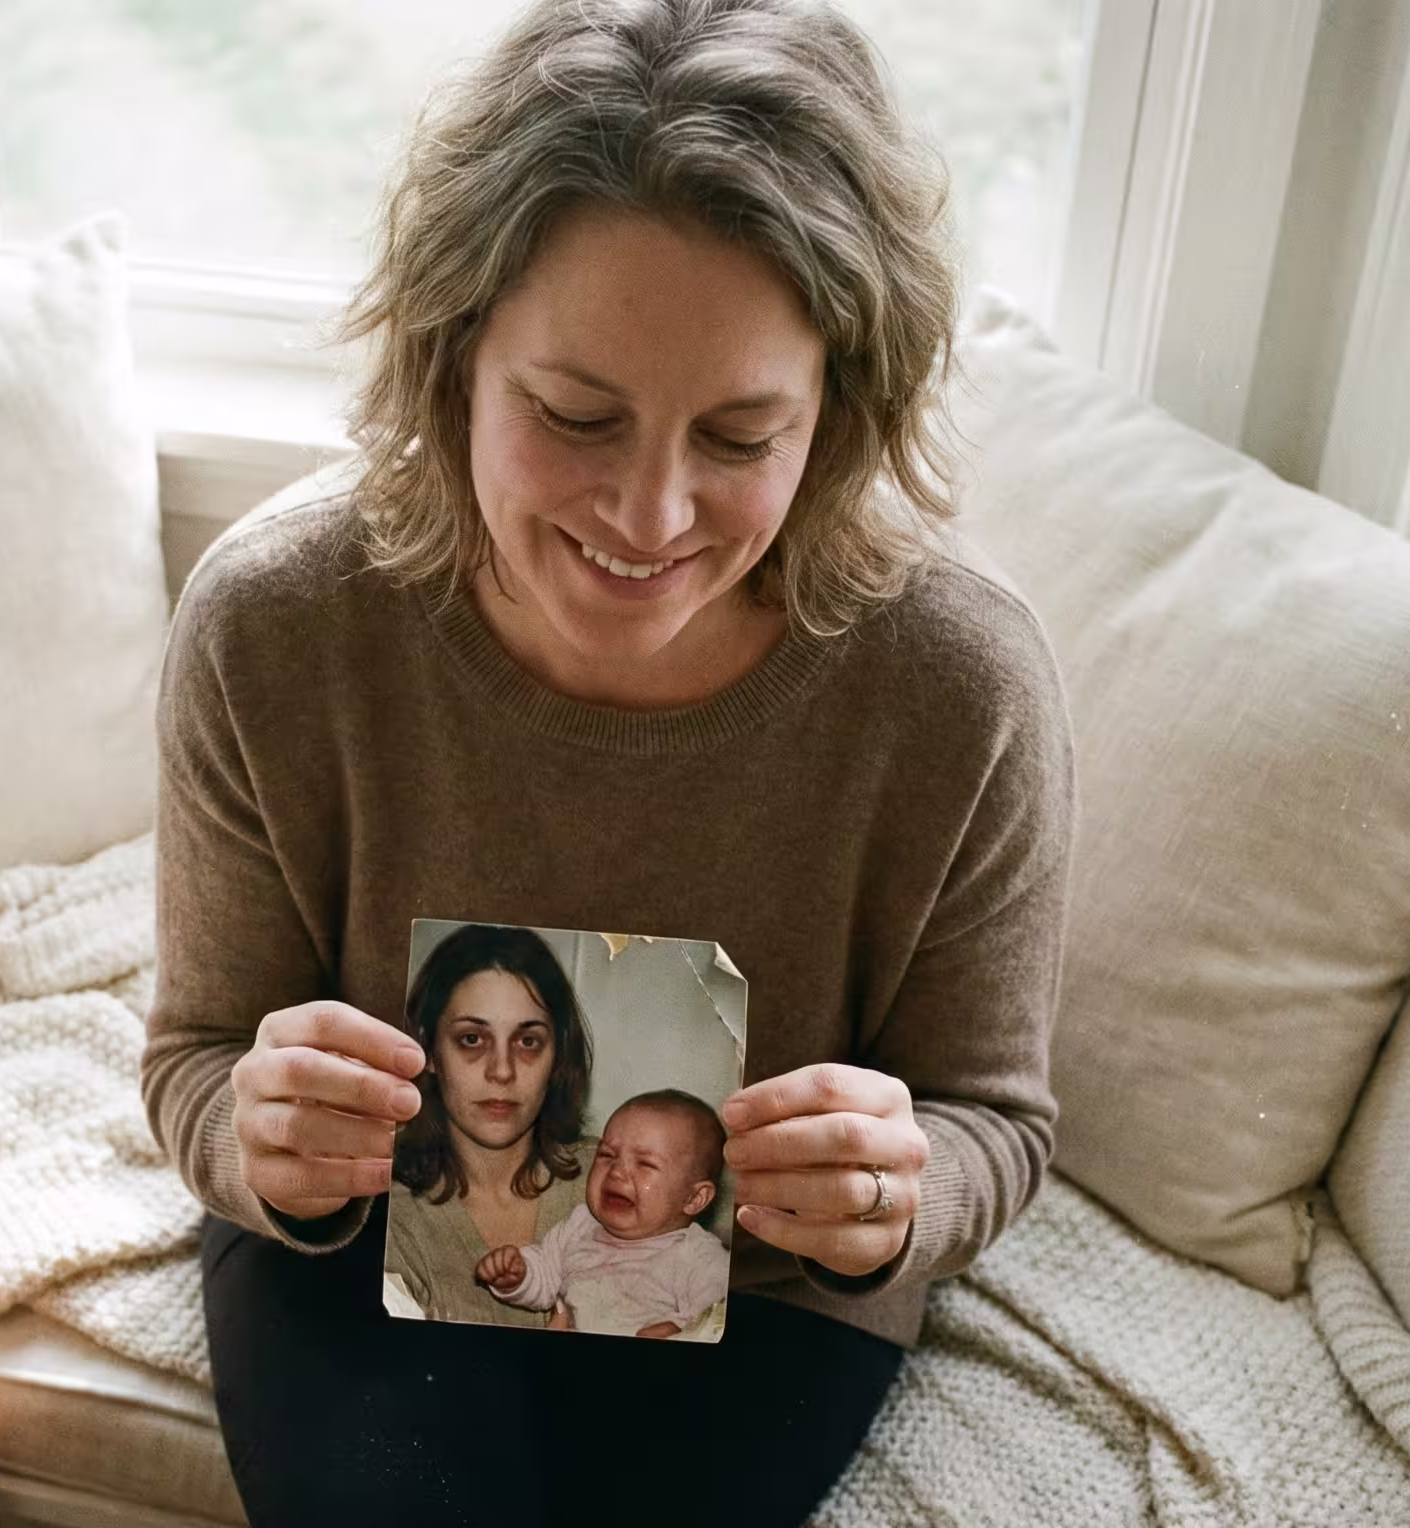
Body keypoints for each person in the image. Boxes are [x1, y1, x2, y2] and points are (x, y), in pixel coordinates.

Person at [140, 0, 1076, 1522]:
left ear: (837, 410)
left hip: (762, 1292)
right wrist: (258, 1142)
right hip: (366, 1249)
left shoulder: (956, 685)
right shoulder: (276, 624)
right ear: (453, 364)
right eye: (576, 416)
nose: (648, 519)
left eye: (739, 436)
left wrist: (900, 1191)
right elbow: (193, 1058)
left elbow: (996, 1118)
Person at [381, 922, 596, 1327]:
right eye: (472, 1039)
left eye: (528, 1042)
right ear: (427, 1050)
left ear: (557, 1057)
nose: (502, 1071)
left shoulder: (616, 1184)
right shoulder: (392, 1222)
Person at [475, 1089, 732, 1339]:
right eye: (606, 1155)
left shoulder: (700, 1257)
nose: (616, 1171)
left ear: (694, 1198)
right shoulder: (579, 1227)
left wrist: (682, 1331)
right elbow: (544, 1275)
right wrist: (517, 1275)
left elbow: (717, 1316)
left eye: (645, 1163)